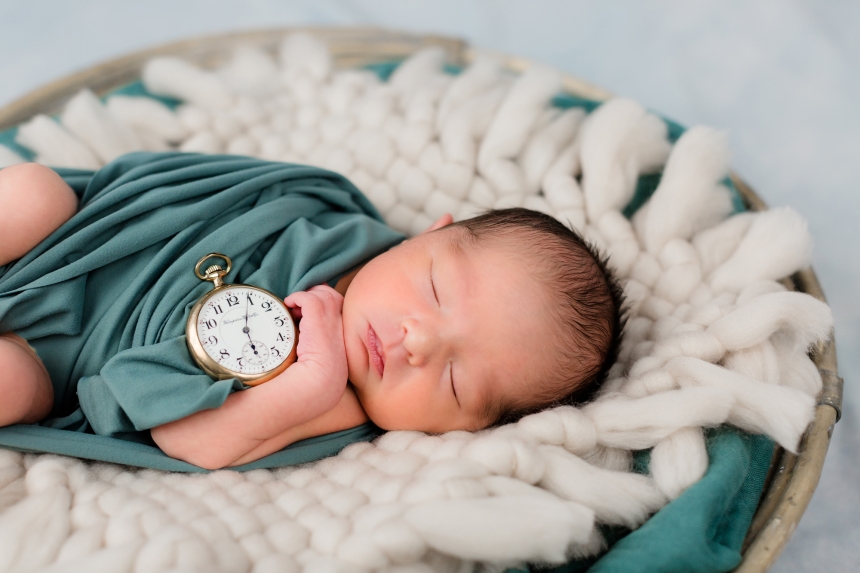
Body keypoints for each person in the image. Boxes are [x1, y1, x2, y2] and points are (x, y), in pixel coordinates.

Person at [0, 157, 623, 470]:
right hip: (71, 247)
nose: (418, 342)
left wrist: (310, 383)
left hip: (51, 365)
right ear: (429, 235)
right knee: (32, 191)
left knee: (9, 383)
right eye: (434, 289)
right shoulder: (333, 218)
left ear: (470, 431)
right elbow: (201, 195)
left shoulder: (336, 402)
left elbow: (187, 439)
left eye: (455, 380)